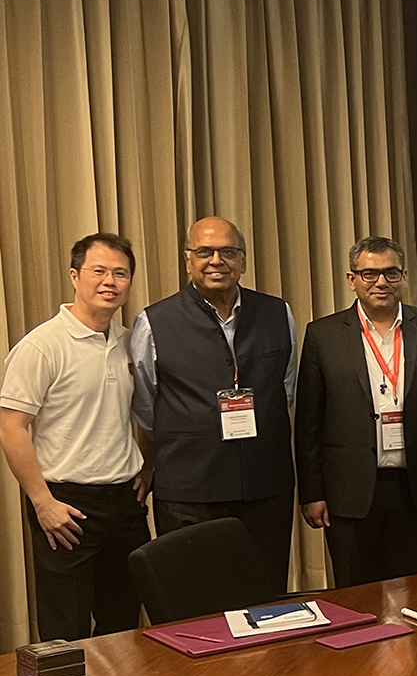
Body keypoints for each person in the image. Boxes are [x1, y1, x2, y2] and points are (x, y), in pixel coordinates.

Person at [132, 217, 297, 592]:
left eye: (228, 251)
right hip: (190, 491)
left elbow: (284, 388)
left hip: (264, 487)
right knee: (195, 604)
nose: (216, 261)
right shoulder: (154, 322)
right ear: (188, 260)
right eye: (204, 252)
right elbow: (146, 403)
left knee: (264, 600)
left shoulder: (278, 313)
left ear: (243, 260)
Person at [0, 234, 152, 640]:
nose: (110, 282)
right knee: (64, 629)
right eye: (99, 271)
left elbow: (147, 412)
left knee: (122, 625)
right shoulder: (41, 346)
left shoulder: (129, 341)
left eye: (121, 273)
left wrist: (148, 464)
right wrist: (42, 501)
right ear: (74, 276)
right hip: (65, 504)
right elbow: (11, 426)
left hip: (125, 503)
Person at [295, 236, 417, 587]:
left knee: (413, 592)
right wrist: (312, 493)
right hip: (348, 494)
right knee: (355, 596)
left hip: (414, 490)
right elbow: (308, 424)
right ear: (352, 280)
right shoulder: (323, 335)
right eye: (369, 274)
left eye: (390, 273)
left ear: (404, 277)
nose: (381, 283)